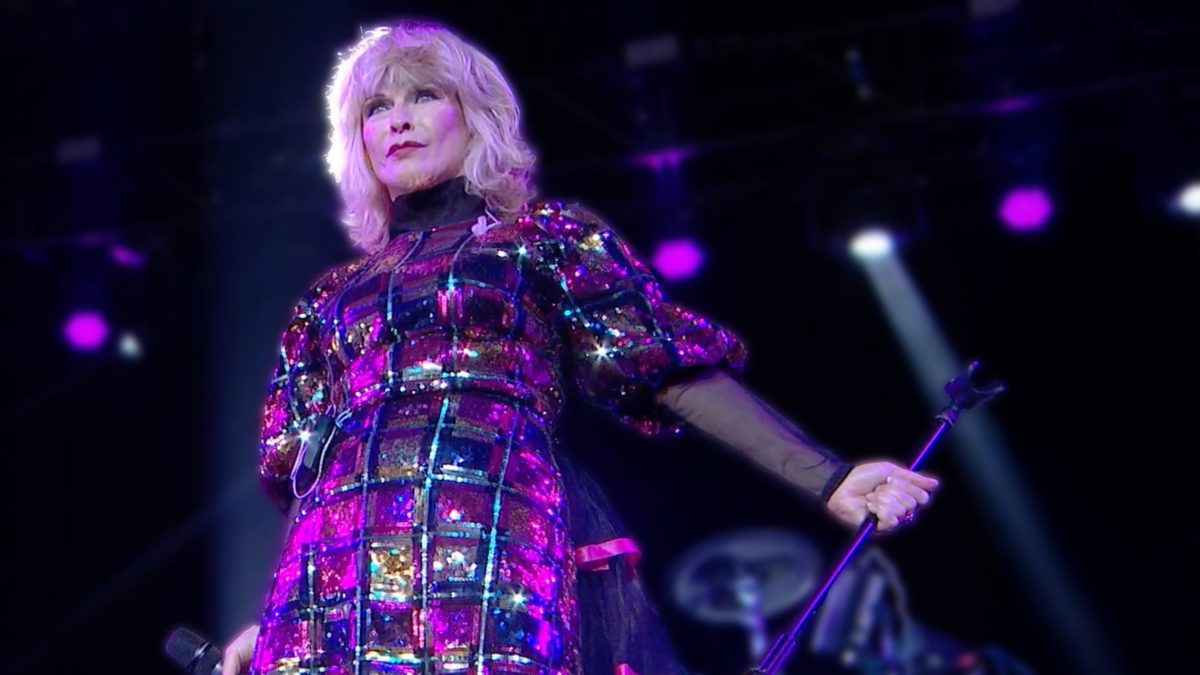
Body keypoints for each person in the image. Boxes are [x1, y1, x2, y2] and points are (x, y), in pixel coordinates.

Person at [221, 19, 939, 675]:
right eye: (377, 107)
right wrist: (281, 613)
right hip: (344, 560)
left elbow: (662, 369)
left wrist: (828, 476)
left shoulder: (543, 239)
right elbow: (303, 474)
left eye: (424, 96)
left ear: (476, 120)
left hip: (492, 522)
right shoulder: (330, 299)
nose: (399, 119)